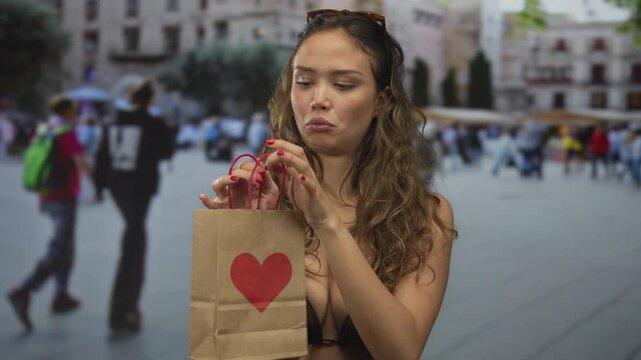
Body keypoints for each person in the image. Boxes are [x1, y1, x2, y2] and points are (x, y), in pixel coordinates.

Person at [198, 9, 456, 359]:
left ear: (380, 101)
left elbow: (401, 352)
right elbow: (237, 349)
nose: (318, 99)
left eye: (343, 84)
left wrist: (326, 221)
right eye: (303, 82)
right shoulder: (265, 201)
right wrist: (249, 232)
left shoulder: (424, 214)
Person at [94, 80, 176, 334]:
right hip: (140, 188)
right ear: (150, 99)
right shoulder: (153, 123)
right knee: (134, 247)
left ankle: (127, 308)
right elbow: (166, 152)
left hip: (118, 187)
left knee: (134, 241)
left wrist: (99, 187)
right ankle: (123, 310)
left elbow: (102, 157)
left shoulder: (113, 122)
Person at [7, 95, 94, 332]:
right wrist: (97, 185)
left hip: (47, 195)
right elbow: (80, 161)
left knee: (66, 247)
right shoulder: (65, 132)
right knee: (59, 249)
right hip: (64, 196)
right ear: (67, 111)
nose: (75, 114)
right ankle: (24, 291)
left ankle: (61, 295)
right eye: (74, 110)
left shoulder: (44, 128)